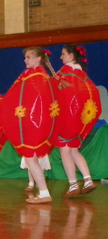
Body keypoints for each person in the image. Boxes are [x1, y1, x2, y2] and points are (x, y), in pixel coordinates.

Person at [0, 47, 63, 204]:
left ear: (38, 59)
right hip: (34, 124)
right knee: (31, 159)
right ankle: (43, 192)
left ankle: (44, 193)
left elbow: (36, 103)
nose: (25, 60)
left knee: (30, 158)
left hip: (34, 126)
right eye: (25, 57)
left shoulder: (37, 78)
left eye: (28, 57)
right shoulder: (37, 76)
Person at [53, 45, 101, 198]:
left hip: (67, 119)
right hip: (79, 122)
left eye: (63, 54)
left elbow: (53, 91)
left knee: (65, 150)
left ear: (71, 56)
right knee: (73, 150)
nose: (61, 57)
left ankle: (73, 184)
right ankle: (87, 180)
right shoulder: (84, 78)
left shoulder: (64, 74)